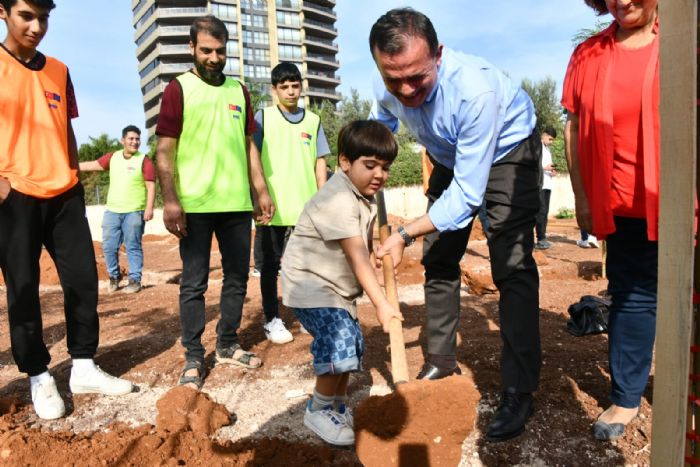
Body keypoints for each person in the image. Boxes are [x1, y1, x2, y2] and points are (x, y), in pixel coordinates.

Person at [370, 8, 542, 442]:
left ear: (439, 55)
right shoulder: (389, 84)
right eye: (394, 79)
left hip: (507, 149)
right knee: (441, 258)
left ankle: (519, 388)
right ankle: (441, 360)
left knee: (512, 265)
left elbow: (466, 198)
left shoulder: (474, 90)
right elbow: (383, 125)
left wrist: (406, 233)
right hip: (449, 153)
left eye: (417, 77)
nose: (406, 90)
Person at [0, 0, 133, 420]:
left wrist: (73, 173)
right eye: (27, 16)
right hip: (14, 193)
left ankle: (84, 365)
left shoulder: (59, 69)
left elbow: (67, 127)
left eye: (44, 18)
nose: (37, 26)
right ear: (3, 11)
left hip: (64, 193)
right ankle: (38, 373)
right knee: (23, 288)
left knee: (82, 281)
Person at [155, 15, 274, 389]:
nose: (214, 57)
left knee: (237, 278)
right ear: (192, 48)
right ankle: (193, 355)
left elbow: (248, 147)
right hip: (194, 206)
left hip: (236, 205)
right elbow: (164, 150)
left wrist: (261, 190)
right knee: (194, 283)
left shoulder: (239, 91)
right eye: (206, 50)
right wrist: (170, 200)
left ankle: (226, 343)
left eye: (220, 51)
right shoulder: (178, 89)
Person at [562, 0, 659, 441]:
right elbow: (573, 126)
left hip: (683, 202)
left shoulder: (684, 43)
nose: (621, 0)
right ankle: (626, 395)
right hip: (624, 207)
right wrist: (583, 196)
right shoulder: (588, 55)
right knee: (633, 297)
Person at [281, 120, 402, 446]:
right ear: (345, 162)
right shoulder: (338, 197)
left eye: (385, 167)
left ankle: (335, 405)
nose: (379, 174)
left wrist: (378, 249)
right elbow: (355, 257)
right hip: (311, 285)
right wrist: (382, 304)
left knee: (352, 343)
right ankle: (318, 410)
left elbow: (360, 247)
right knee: (339, 338)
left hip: (335, 288)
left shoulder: (363, 195)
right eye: (370, 165)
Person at [252, 62, 330, 344]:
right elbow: (253, 159)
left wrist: (322, 200)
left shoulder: (313, 121)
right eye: (284, 86)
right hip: (272, 208)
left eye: (295, 85)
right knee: (270, 268)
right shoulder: (262, 118)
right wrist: (257, 197)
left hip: (305, 210)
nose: (290, 91)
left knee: (304, 267)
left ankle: (307, 316)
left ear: (301, 87)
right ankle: (272, 319)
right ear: (274, 90)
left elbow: (320, 162)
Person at [79, 125, 156, 294]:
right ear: (123, 141)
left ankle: (135, 280)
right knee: (108, 246)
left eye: (137, 139)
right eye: (131, 139)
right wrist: (71, 166)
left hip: (134, 211)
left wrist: (149, 208)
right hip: (112, 211)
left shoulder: (144, 160)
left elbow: (151, 186)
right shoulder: (113, 157)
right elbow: (94, 165)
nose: (135, 142)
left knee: (133, 246)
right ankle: (114, 276)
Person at [534, 127, 557, 250]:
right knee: (540, 212)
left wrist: (552, 171)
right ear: (544, 135)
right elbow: (533, 164)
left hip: (548, 184)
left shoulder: (547, 150)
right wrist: (544, 167)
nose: (551, 142)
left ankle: (542, 238)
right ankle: (540, 239)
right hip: (539, 184)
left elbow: (547, 166)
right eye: (550, 139)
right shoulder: (537, 147)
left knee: (545, 212)